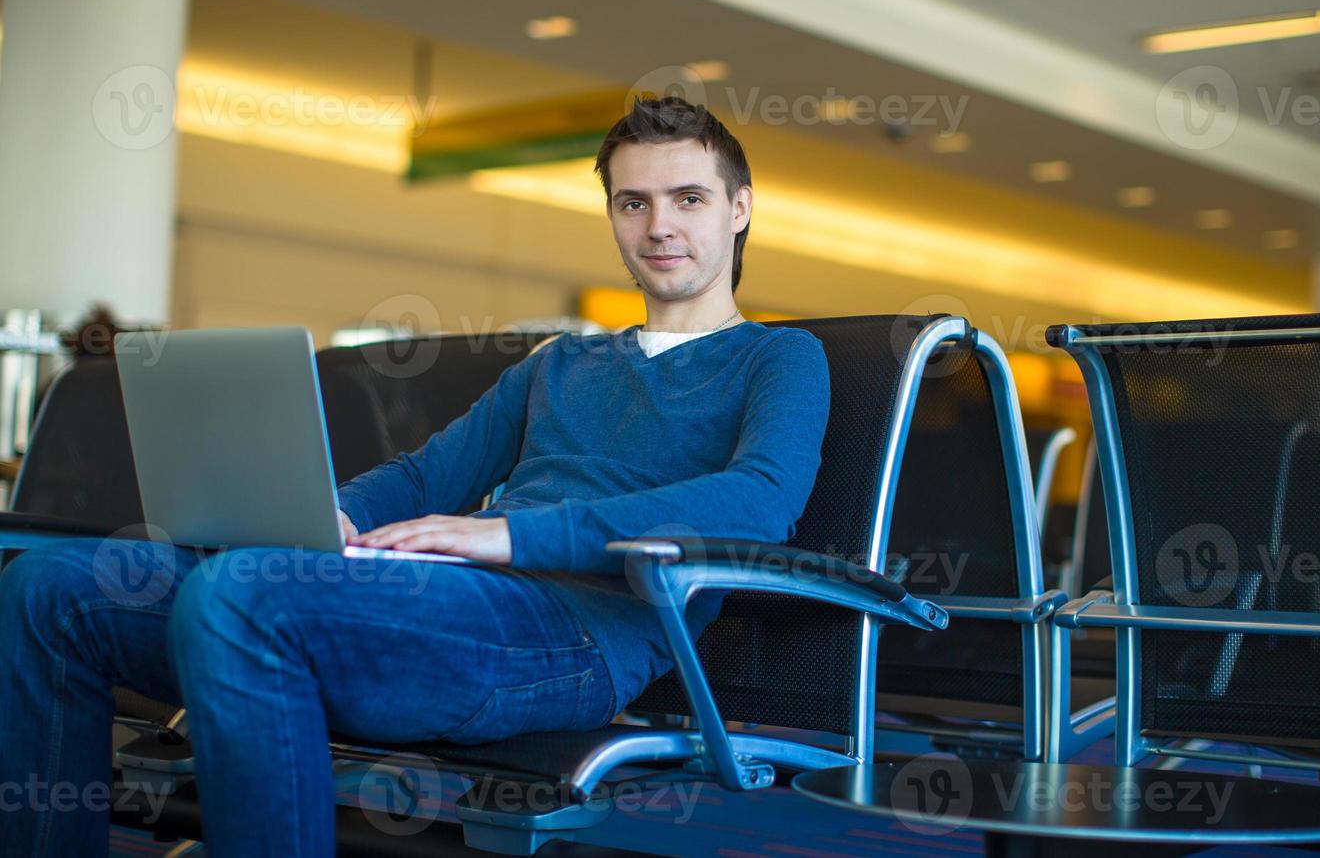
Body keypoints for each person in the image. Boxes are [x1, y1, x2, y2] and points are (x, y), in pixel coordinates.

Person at [0, 96, 831, 856]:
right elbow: (427, 475)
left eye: (689, 199)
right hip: (450, 598)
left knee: (241, 596)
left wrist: (510, 534)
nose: (659, 226)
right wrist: (322, 515)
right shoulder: (562, 363)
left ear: (740, 208)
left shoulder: (781, 358)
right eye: (632, 202)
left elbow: (760, 500)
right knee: (48, 589)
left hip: (577, 635)